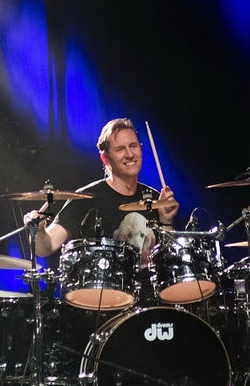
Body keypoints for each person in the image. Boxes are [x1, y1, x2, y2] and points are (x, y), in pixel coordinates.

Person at [24, 118, 179, 311]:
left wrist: (166, 220)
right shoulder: (86, 198)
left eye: (133, 146)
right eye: (120, 149)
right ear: (106, 159)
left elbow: (169, 261)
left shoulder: (155, 199)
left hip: (150, 304)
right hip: (102, 304)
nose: (130, 154)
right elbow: (45, 247)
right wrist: (39, 229)